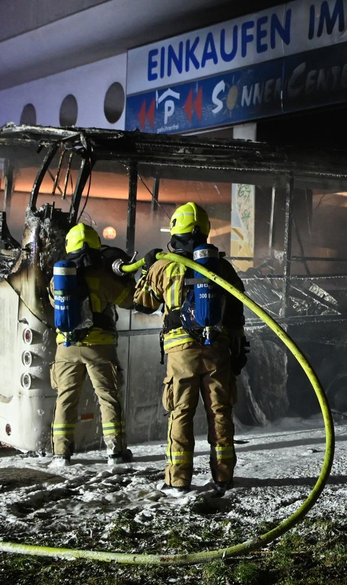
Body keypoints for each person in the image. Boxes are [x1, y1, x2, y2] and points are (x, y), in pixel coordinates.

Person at [133, 202, 246, 492]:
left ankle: (178, 480)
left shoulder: (163, 265)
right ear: (205, 230)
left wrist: (146, 269)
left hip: (180, 352)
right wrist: (236, 347)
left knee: (180, 412)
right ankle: (224, 476)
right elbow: (237, 309)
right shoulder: (221, 267)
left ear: (175, 231)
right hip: (217, 349)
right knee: (220, 413)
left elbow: (142, 304)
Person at [49, 223, 135, 466]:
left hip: (66, 346)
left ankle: (61, 453)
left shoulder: (58, 280)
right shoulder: (101, 277)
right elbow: (129, 300)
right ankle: (115, 452)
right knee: (107, 397)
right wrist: (125, 277)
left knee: (65, 398)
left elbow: (54, 304)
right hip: (99, 346)